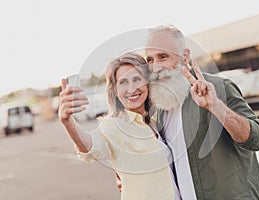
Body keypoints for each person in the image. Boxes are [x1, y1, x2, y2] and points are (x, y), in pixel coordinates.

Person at [117, 25, 259, 200]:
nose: (155, 67)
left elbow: (255, 139)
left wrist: (216, 106)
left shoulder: (218, 88)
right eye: (150, 60)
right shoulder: (162, 108)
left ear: (184, 56)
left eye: (163, 56)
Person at [58, 52, 181, 200]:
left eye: (137, 79)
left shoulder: (154, 122)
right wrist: (67, 121)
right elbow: (89, 145)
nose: (131, 89)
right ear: (115, 90)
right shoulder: (115, 125)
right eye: (123, 82)